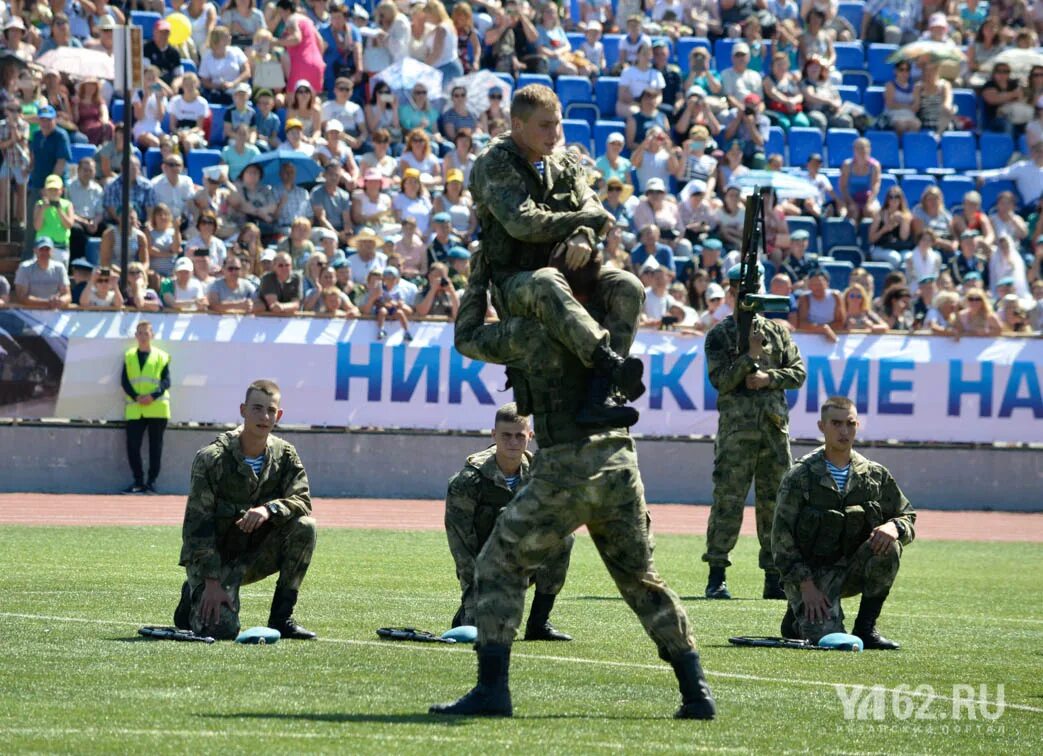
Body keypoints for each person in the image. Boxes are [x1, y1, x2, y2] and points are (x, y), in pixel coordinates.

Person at [429, 280, 716, 720]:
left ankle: (492, 689)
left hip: (566, 465)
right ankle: (696, 693)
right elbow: (629, 287)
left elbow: (467, 336)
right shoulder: (604, 336)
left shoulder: (526, 333)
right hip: (618, 463)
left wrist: (478, 279)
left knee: (498, 563)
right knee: (642, 579)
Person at [468, 84, 646, 430]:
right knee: (547, 281)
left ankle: (600, 397)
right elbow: (522, 222)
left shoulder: (564, 160)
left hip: (569, 272)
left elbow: (593, 206)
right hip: (517, 281)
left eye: (558, 124)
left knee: (628, 285)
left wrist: (583, 233)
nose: (554, 134)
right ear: (518, 125)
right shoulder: (495, 162)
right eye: (544, 125)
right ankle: (610, 365)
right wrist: (582, 222)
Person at [173, 379, 318, 641]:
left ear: (279, 415)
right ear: (242, 410)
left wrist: (269, 510)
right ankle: (193, 594)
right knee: (222, 631)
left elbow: (302, 500)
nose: (264, 417)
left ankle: (281, 618)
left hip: (252, 555)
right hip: (215, 560)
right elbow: (197, 526)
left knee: (305, 527)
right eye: (256, 408)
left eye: (271, 410)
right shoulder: (212, 458)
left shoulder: (285, 455)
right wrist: (211, 581)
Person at [772, 395, 916, 649]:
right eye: (836, 423)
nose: (844, 430)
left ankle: (866, 628)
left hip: (852, 568)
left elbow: (907, 515)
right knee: (827, 640)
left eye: (850, 424)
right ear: (822, 426)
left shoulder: (873, 474)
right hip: (812, 577)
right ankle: (796, 617)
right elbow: (781, 539)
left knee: (889, 547)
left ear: (857, 426)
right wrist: (806, 586)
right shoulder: (801, 476)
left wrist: (893, 527)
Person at [702, 264, 807, 600]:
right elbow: (720, 381)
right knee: (727, 502)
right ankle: (716, 574)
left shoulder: (778, 333)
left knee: (775, 505)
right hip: (737, 433)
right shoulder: (720, 335)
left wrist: (769, 378)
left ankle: (774, 576)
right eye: (740, 290)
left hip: (773, 433)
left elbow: (799, 372)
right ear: (731, 292)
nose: (747, 296)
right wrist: (749, 358)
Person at [445, 402, 573, 640]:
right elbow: (461, 547)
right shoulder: (468, 481)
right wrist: (473, 601)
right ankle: (469, 613)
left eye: (519, 436)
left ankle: (539, 623)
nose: (513, 442)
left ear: (530, 436)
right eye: (506, 436)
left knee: (562, 536)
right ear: (494, 435)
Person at [121, 321, 170, 495]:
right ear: (136, 336)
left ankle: (151, 483)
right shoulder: (129, 356)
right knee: (132, 447)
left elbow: (166, 381)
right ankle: (138, 481)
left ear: (152, 335)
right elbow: (125, 381)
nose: (142, 336)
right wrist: (136, 397)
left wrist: (152, 396)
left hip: (157, 408)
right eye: (139, 333)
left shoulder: (161, 356)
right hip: (135, 408)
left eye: (146, 333)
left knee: (155, 448)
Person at [14, 237, 73, 309]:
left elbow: (67, 295)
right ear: (35, 251)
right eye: (41, 249)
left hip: (54, 313)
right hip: (29, 313)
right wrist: (48, 302)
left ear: (52, 251)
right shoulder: (25, 268)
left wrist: (60, 301)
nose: (44, 252)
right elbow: (21, 296)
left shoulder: (59, 268)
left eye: (47, 249)